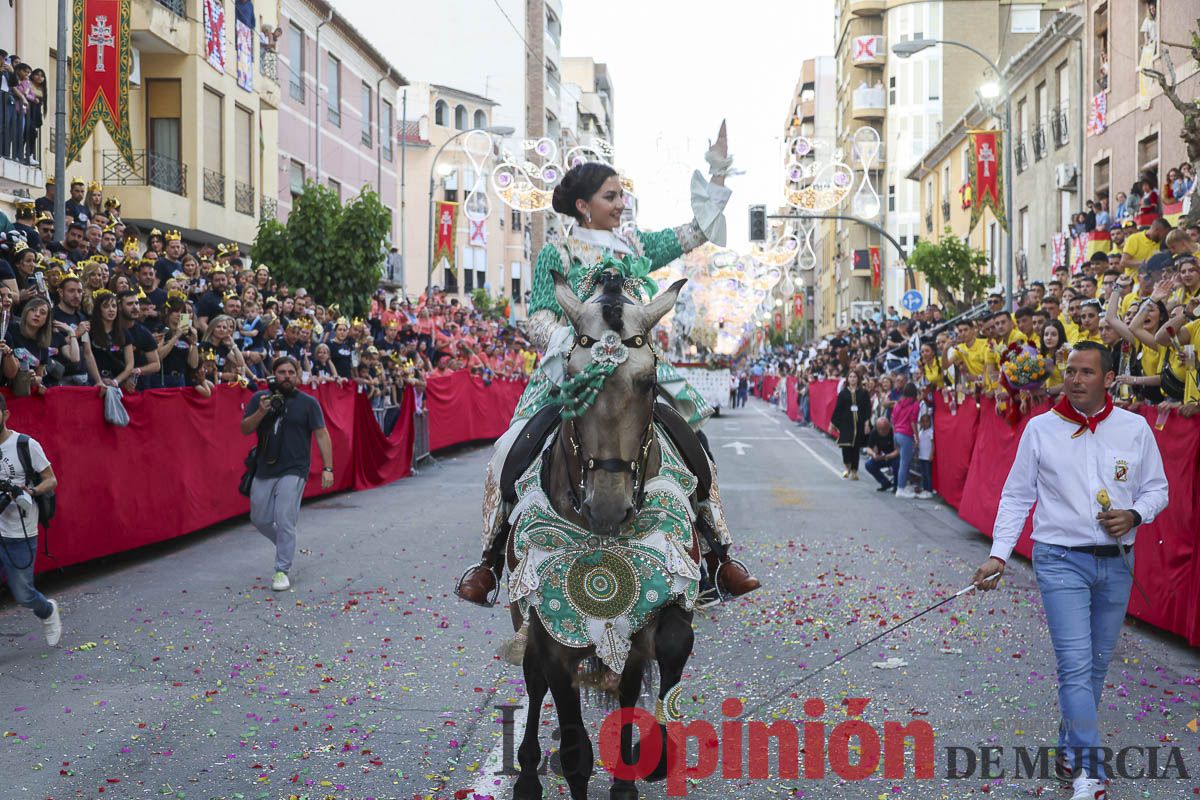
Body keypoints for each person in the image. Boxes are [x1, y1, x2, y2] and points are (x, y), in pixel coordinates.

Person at [458, 123, 759, 606]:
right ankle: (490, 562)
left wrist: (718, 171)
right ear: (584, 205)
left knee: (694, 444)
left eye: (621, 196)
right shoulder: (557, 251)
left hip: (635, 376)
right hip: (570, 374)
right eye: (611, 196)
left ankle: (719, 557)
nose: (621, 204)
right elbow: (538, 314)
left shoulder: (637, 247)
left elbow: (697, 232)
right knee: (509, 452)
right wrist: (572, 342)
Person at [972, 342, 1169, 800]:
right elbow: (1017, 495)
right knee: (1076, 667)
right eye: (1070, 371)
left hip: (1118, 563)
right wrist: (999, 555)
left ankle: (1068, 749)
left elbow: (1158, 489)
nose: (1076, 379)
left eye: (1086, 372)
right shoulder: (1041, 429)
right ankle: (1089, 771)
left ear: (1109, 379)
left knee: (1096, 666)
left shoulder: (1135, 428)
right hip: (1059, 559)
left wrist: (1135, 515)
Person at [240, 356, 335, 591]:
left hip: (295, 469)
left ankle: (281, 570)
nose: (287, 376)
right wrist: (261, 412)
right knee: (260, 519)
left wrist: (328, 468)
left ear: (298, 374)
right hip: (264, 468)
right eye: (282, 372)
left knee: (284, 519)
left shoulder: (308, 403)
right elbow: (245, 429)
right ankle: (286, 542)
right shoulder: (259, 399)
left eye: (291, 372)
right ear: (274, 374)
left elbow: (322, 434)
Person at [0, 393, 62, 646]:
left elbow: (51, 479)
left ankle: (47, 611)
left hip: (19, 532)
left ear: (5, 414)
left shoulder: (25, 445)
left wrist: (31, 491)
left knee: (23, 594)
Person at [831, 369, 870, 480]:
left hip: (859, 424)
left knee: (855, 448)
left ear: (858, 379)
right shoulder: (843, 393)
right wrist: (833, 423)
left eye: (855, 377)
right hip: (846, 424)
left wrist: (867, 423)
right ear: (847, 379)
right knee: (846, 447)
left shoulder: (863, 393)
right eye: (851, 377)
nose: (853, 379)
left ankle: (854, 471)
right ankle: (847, 466)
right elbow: (838, 409)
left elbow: (867, 408)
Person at [891, 382, 920, 497]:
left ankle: (902, 486)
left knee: (904, 462)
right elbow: (913, 422)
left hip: (897, 433)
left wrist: (894, 434)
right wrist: (916, 437)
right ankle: (901, 488)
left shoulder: (898, 403)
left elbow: (893, 420)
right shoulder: (915, 404)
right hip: (906, 435)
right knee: (905, 463)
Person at [862, 416, 898, 492]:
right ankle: (885, 483)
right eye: (880, 429)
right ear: (877, 428)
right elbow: (868, 448)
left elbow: (898, 450)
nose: (882, 431)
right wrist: (873, 454)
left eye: (885, 429)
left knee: (897, 463)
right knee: (869, 464)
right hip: (881, 456)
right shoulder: (874, 432)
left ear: (889, 426)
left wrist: (888, 456)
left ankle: (896, 485)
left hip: (893, 456)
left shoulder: (893, 432)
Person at [914, 412, 934, 499]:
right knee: (923, 473)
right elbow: (919, 443)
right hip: (921, 456)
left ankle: (929, 490)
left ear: (930, 422)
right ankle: (925, 489)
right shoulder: (920, 432)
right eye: (923, 422)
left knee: (928, 474)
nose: (925, 423)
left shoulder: (931, 432)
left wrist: (931, 454)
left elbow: (933, 444)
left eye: (927, 422)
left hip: (927, 456)